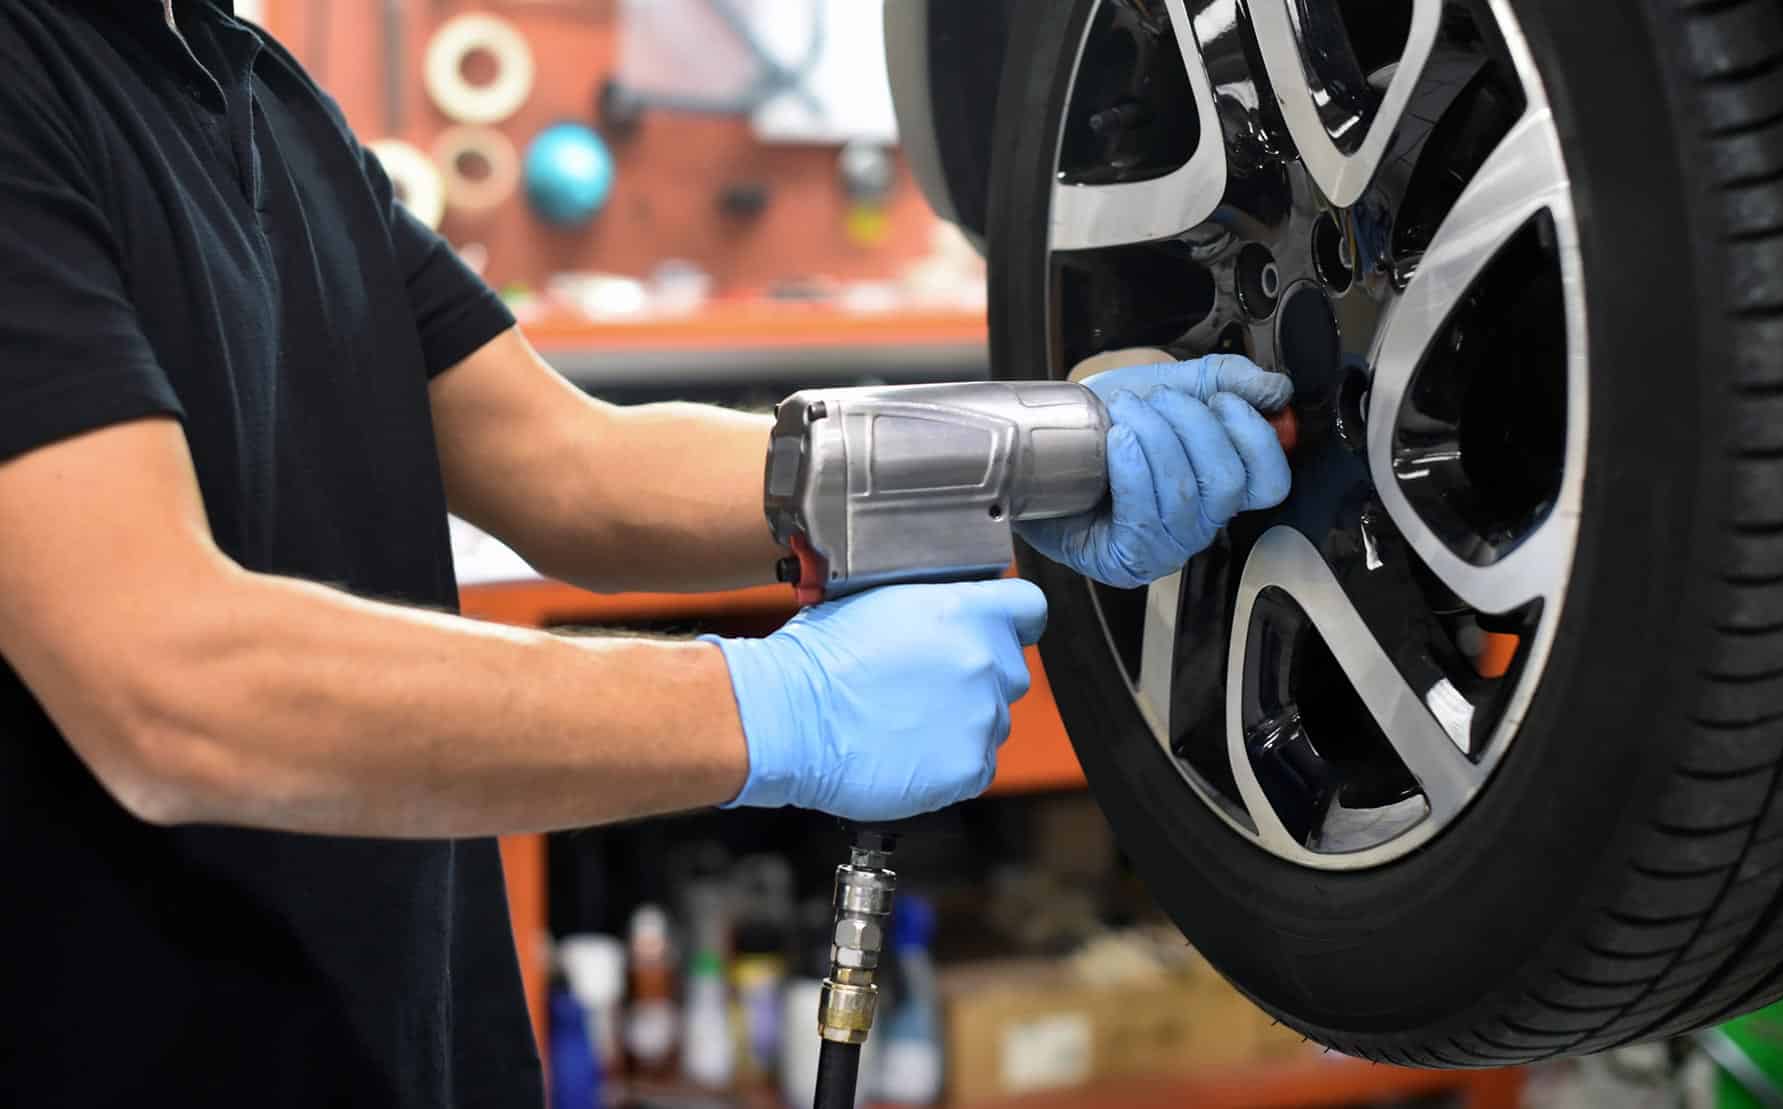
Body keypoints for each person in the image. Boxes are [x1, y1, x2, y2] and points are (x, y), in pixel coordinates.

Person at [0, 2, 1294, 1106]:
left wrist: (1026, 458)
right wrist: (773, 706)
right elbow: (168, 680)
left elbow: (566, 463)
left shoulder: (258, 97)